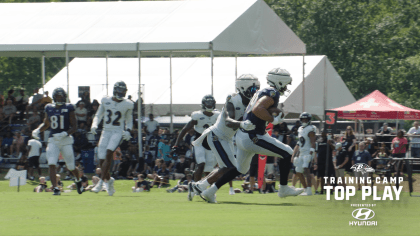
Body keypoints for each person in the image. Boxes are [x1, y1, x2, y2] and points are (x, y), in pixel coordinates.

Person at [200, 68, 303, 203]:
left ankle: (210, 191)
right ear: (280, 81)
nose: (287, 86)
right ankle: (283, 189)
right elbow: (258, 109)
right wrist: (274, 120)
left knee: (240, 169)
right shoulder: (272, 92)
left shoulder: (263, 91)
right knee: (288, 152)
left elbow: (261, 108)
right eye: (286, 83)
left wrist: (273, 112)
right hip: (253, 136)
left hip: (244, 135)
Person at [190, 74, 259, 198]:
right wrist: (242, 123)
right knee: (229, 167)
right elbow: (229, 121)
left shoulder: (251, 103)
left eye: (256, 89)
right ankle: (201, 186)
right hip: (217, 135)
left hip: (226, 138)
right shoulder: (232, 100)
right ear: (242, 88)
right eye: (253, 89)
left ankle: (199, 185)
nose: (255, 92)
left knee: (228, 167)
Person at [31, 87, 83, 195]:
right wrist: (38, 130)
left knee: (71, 166)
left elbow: (74, 127)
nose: (60, 98)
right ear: (54, 97)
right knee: (51, 163)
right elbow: (46, 123)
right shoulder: (49, 107)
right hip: (53, 139)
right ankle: (55, 188)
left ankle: (78, 180)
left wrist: (64, 133)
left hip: (66, 140)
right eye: (58, 96)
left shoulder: (69, 107)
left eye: (61, 96)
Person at [90, 81, 134, 196]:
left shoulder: (128, 104)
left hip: (117, 131)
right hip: (105, 131)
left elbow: (129, 120)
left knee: (109, 153)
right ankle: (109, 181)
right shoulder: (105, 100)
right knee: (101, 159)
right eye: (120, 90)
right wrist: (94, 124)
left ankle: (100, 183)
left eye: (123, 91)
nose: (121, 93)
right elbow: (98, 114)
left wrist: (128, 130)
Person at [173, 94, 220, 185]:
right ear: (203, 104)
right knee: (201, 164)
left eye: (211, 103)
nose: (209, 105)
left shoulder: (218, 115)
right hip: (200, 143)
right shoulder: (197, 115)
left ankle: (207, 190)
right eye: (207, 103)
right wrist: (176, 144)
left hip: (212, 144)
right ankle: (196, 187)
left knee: (209, 170)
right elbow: (185, 129)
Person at [292, 112, 317, 196]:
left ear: (309, 120)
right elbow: (300, 143)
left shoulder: (311, 128)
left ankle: (309, 190)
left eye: (306, 119)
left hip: (307, 152)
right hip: (301, 152)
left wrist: (310, 154)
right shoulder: (300, 129)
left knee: (307, 170)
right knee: (298, 171)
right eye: (303, 119)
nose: (304, 121)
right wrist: (295, 154)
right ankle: (306, 189)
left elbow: (313, 143)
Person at [313, 130, 336, 195]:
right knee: (321, 176)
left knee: (330, 176)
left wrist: (330, 143)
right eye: (321, 132)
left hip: (328, 160)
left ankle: (331, 190)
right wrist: (316, 162)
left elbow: (334, 148)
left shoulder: (330, 140)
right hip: (321, 160)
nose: (322, 133)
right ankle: (322, 190)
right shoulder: (318, 141)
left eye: (324, 132)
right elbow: (316, 151)